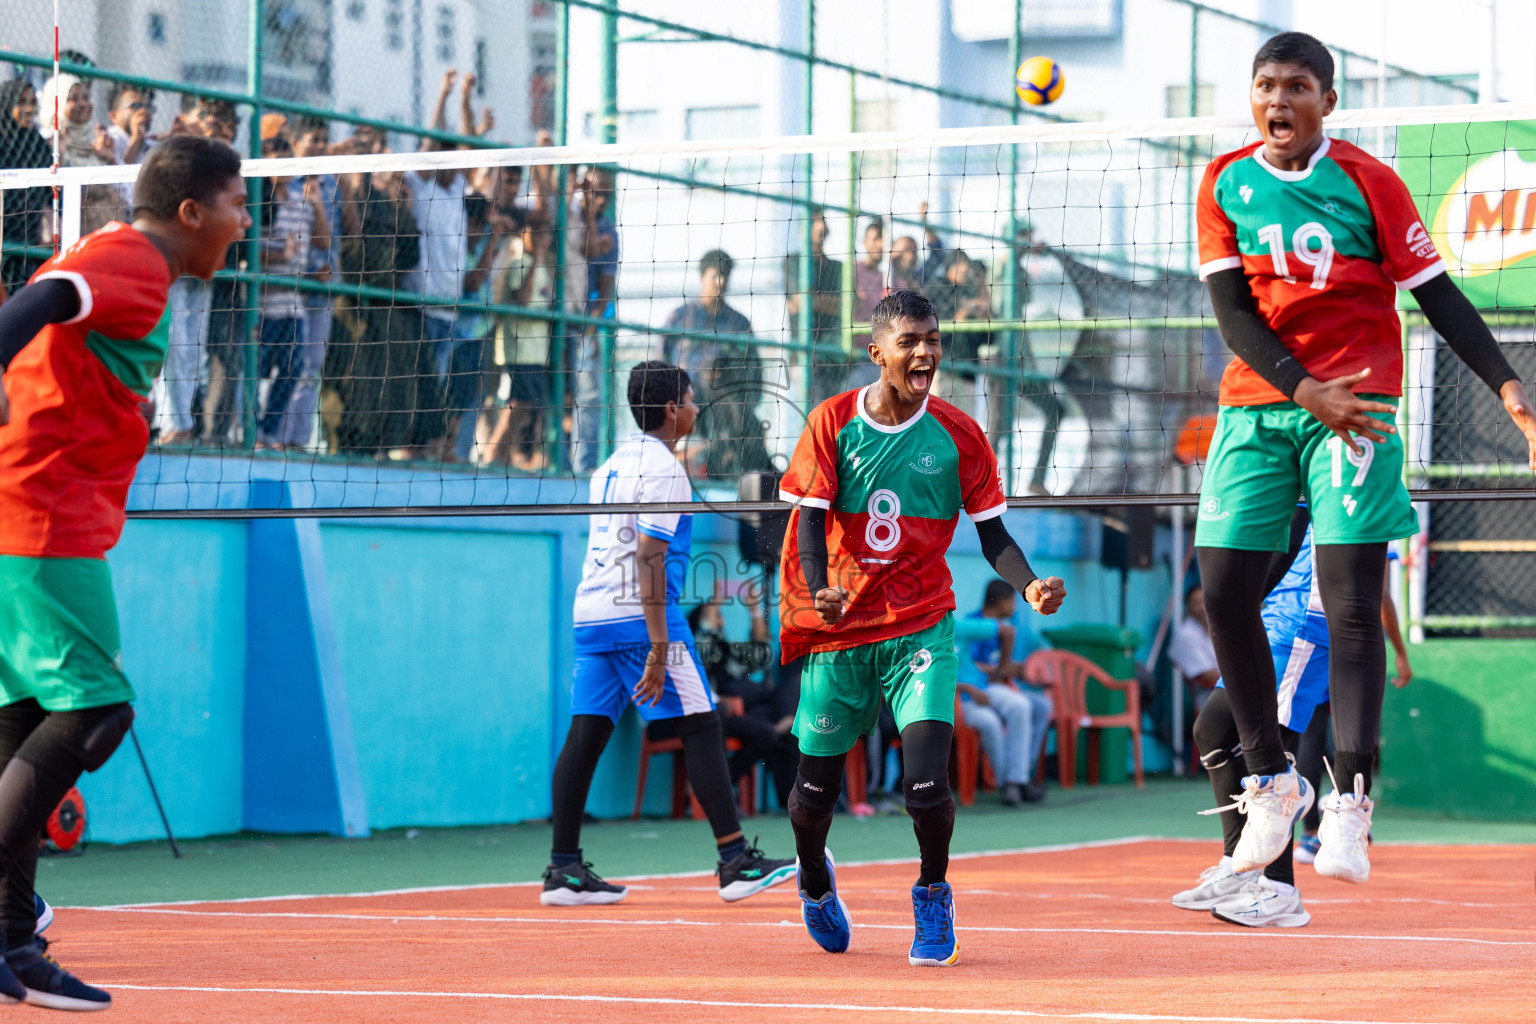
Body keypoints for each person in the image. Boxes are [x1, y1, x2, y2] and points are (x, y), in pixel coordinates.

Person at [1193, 31, 1536, 886]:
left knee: (1350, 602)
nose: (1280, 99)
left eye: (1298, 86)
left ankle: (1348, 801)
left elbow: (1438, 294)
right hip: (1262, 403)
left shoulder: (1370, 182)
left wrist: (1504, 386)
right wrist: (1301, 389)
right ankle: (1272, 781)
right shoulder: (1223, 181)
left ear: (1326, 103)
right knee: (1222, 590)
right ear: (1253, 96)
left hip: (1358, 407)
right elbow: (1234, 315)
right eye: (1266, 85)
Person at [0, 134, 249, 1009]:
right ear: (192, 213)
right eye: (236, 202)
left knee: (25, 717)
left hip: (26, 523)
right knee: (98, 711)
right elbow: (45, 299)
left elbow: (45, 305)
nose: (244, 220)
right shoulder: (137, 263)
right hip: (43, 524)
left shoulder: (124, 265)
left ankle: (12, 940)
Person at [777, 289, 1066, 966]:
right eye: (909, 342)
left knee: (926, 785)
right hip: (846, 629)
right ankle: (814, 877)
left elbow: (992, 533)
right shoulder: (833, 422)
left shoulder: (960, 435)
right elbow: (810, 519)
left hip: (920, 626)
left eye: (933, 340)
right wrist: (818, 585)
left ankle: (932, 892)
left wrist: (1028, 585)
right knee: (810, 801)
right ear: (877, 353)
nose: (926, 353)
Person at [542, 361, 795, 907]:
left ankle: (563, 869)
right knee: (703, 723)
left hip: (592, 614)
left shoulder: (610, 465)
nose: (696, 408)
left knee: (585, 734)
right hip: (640, 614)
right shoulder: (664, 469)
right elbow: (650, 557)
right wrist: (659, 644)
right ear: (668, 410)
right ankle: (735, 861)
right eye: (689, 399)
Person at [1176, 507, 1414, 927]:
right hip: (1270, 618)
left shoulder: (1348, 477)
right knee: (1210, 731)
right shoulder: (1286, 473)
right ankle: (1237, 864)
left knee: (1269, 756)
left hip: (1306, 624)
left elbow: (1376, 587)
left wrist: (1397, 648)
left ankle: (1279, 886)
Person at [687, 583, 799, 810]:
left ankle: (792, 802)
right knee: (767, 733)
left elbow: (760, 652)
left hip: (753, 709)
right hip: (723, 715)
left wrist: (754, 610)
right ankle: (720, 787)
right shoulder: (698, 650)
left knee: (792, 720)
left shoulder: (728, 651)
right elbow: (706, 633)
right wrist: (716, 599)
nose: (721, 620)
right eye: (716, 615)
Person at [254, 132, 328, 449]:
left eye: (286, 156)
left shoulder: (302, 200)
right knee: (254, 370)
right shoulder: (257, 201)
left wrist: (319, 204)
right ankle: (250, 431)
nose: (283, 163)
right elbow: (247, 251)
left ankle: (268, 432)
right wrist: (277, 255)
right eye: (275, 156)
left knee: (292, 369)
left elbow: (323, 242)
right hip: (261, 304)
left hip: (293, 305)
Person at [660, 249, 765, 472]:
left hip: (727, 409)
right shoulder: (679, 317)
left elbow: (755, 369)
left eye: (725, 275)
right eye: (715, 275)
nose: (721, 281)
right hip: (685, 404)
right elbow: (660, 363)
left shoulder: (739, 323)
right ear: (702, 277)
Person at [957, 580, 1051, 806]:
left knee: (1036, 705)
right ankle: (1012, 781)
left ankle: (1019, 774)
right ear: (999, 602)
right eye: (1011, 601)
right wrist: (1000, 671)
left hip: (990, 685)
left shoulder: (999, 624)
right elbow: (974, 665)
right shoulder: (970, 624)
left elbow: (1001, 650)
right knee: (1006, 713)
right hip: (973, 691)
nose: (1014, 607)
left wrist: (1013, 669)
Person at [784, 209, 845, 403]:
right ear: (802, 230)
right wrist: (832, 303)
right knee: (815, 415)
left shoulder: (838, 268)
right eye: (814, 221)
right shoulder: (793, 262)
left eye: (822, 220)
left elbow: (849, 305)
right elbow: (802, 298)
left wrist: (811, 300)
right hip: (805, 356)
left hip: (835, 358)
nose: (820, 225)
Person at [0, 79, 51, 296]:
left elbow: (50, 194)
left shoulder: (38, 145)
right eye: (22, 102)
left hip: (27, 244)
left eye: (33, 103)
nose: (29, 109)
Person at [1168, 584, 1219, 712]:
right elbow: (1206, 676)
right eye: (1196, 603)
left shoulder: (1218, 628)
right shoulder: (1185, 634)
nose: (1202, 607)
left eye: (1205, 601)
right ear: (1188, 607)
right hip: (1211, 704)